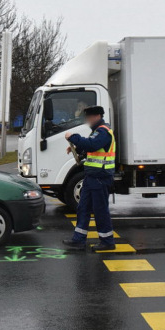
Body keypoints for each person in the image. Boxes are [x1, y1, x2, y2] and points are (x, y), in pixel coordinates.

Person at [62, 106, 117, 251]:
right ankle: (78, 240)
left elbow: (93, 144)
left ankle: (107, 242)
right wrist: (78, 148)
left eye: (89, 117)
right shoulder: (97, 131)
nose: (88, 120)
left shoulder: (103, 131)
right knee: (83, 208)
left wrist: (72, 137)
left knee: (100, 211)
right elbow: (92, 147)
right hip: (92, 177)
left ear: (97, 116)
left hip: (100, 177)